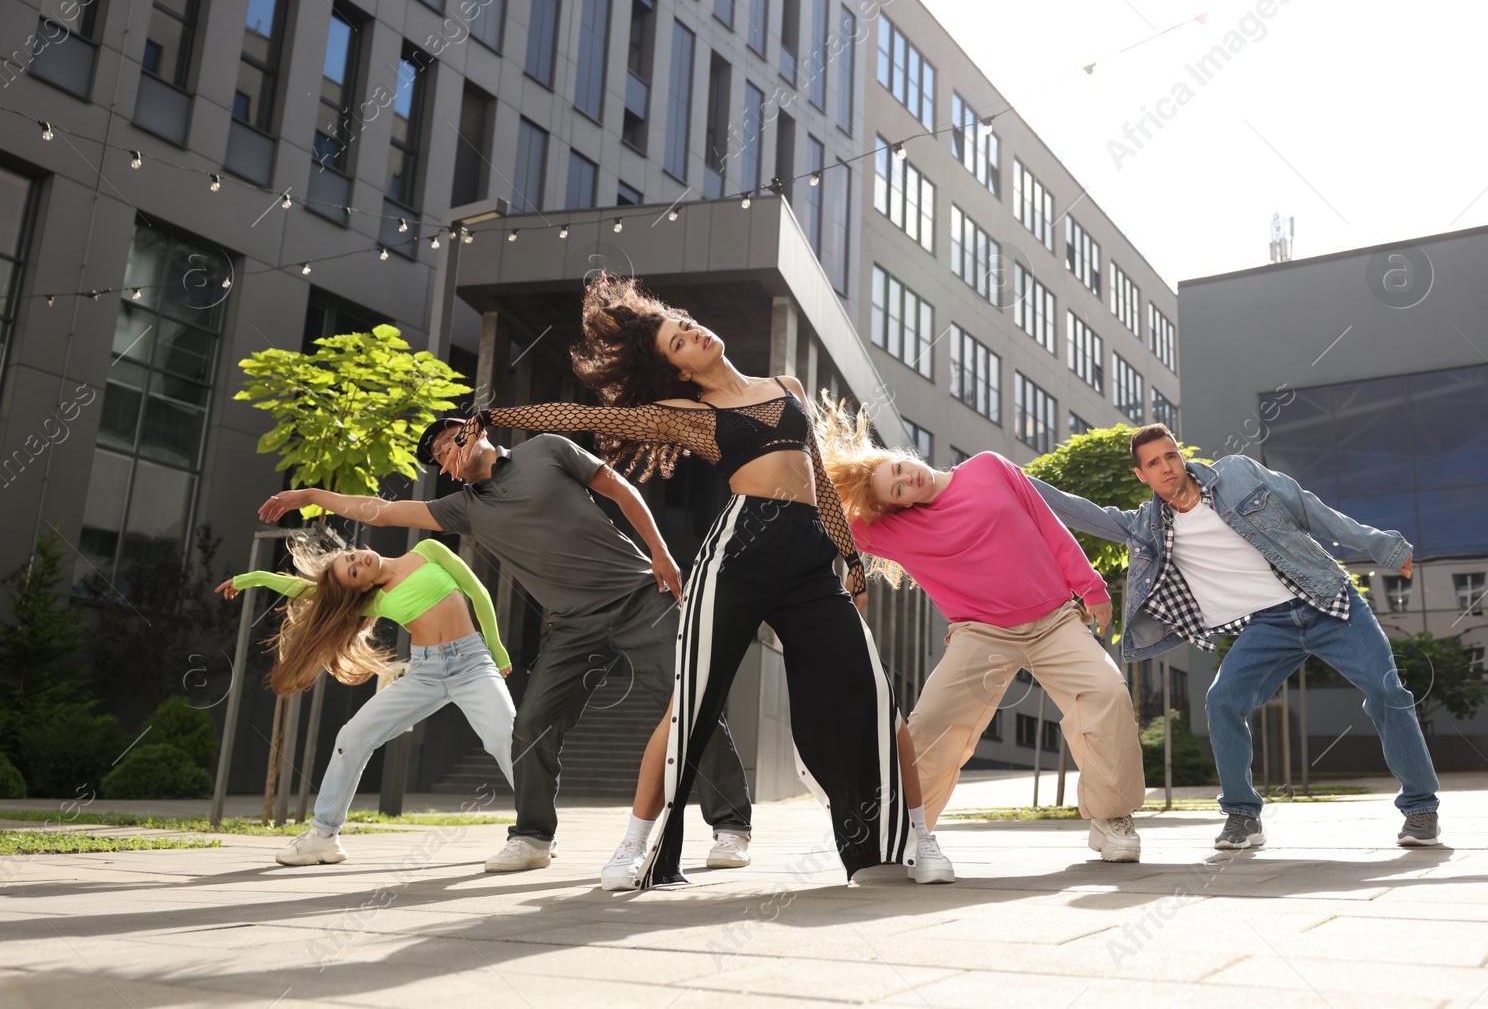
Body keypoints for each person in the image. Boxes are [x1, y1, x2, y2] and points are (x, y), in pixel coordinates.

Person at [449, 272, 954, 889]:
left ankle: (920, 841)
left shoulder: (785, 386)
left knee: (876, 696)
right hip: (738, 554)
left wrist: (849, 557)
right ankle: (636, 845)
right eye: (677, 342)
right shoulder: (689, 413)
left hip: (808, 565)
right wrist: (494, 414)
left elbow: (818, 480)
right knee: (690, 702)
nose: (690, 332)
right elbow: (577, 413)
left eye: (686, 324)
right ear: (679, 371)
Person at [255, 424, 755, 874]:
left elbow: (619, 489)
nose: (446, 455)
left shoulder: (548, 450)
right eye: (438, 458)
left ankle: (731, 827)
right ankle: (534, 837)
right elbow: (381, 510)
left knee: (690, 705)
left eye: (447, 441)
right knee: (532, 726)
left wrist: (661, 553)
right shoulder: (462, 509)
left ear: (472, 430)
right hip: (571, 628)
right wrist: (311, 494)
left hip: (640, 598)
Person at [1028, 423, 1441, 849]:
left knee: (1387, 691)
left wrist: (1380, 545)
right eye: (1153, 463)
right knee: (1222, 700)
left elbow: (1309, 508)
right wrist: (1009, 477)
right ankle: (1243, 818)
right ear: (1142, 475)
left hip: (1327, 601)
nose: (1167, 467)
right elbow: (1076, 510)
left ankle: (1421, 809)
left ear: (1180, 456)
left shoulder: (1238, 474)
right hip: (1269, 625)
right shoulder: (1146, 527)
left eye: (1171, 455)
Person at [815, 397, 1146, 862]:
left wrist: (1090, 585)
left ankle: (1110, 818)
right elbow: (817, 510)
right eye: (896, 490)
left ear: (903, 456)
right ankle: (902, 831)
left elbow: (1047, 524)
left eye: (899, 468)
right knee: (932, 724)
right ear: (893, 507)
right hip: (981, 635)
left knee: (1107, 693)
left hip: (1054, 619)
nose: (907, 479)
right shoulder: (890, 532)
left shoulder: (989, 467)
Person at [218, 536, 516, 866]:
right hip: (424, 673)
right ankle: (323, 836)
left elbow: (478, 591)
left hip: (473, 663)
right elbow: (305, 590)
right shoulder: (372, 601)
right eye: (354, 573)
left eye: (351, 558)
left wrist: (497, 647)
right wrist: (251, 579)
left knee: (508, 738)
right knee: (351, 737)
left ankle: (536, 829)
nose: (358, 562)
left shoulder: (427, 550)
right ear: (361, 588)